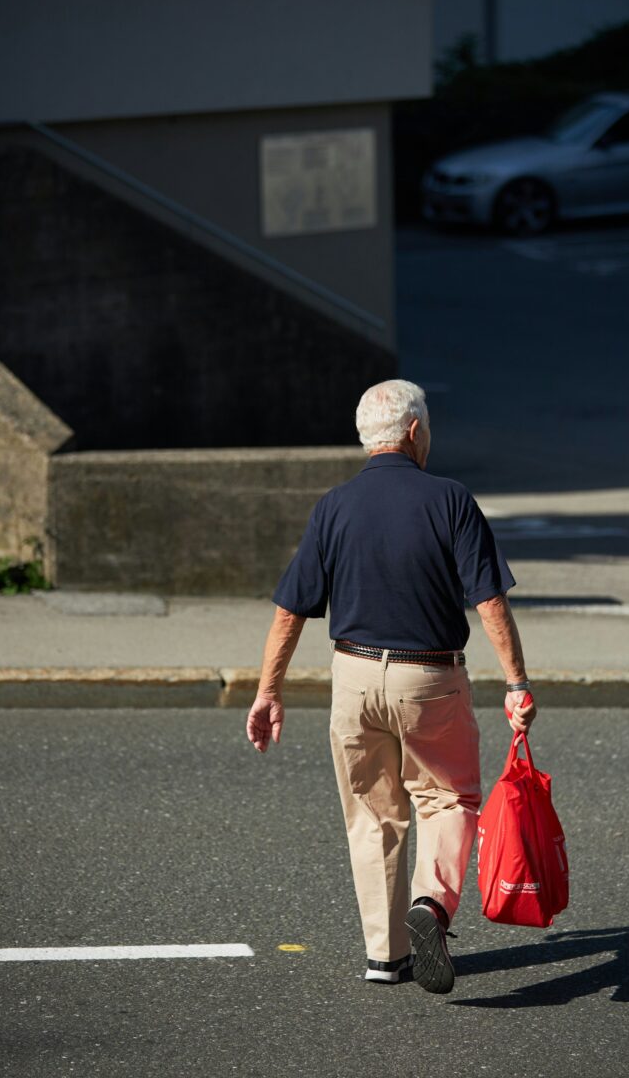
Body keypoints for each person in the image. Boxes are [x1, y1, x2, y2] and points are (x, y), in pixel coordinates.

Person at [246, 379, 536, 994]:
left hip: (351, 675)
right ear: (413, 432)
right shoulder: (450, 499)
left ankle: (385, 955)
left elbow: (290, 609)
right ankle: (430, 906)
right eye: (426, 428)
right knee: (447, 799)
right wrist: (516, 681)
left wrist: (268, 691)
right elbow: (488, 601)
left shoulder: (333, 506)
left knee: (373, 815)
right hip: (429, 675)